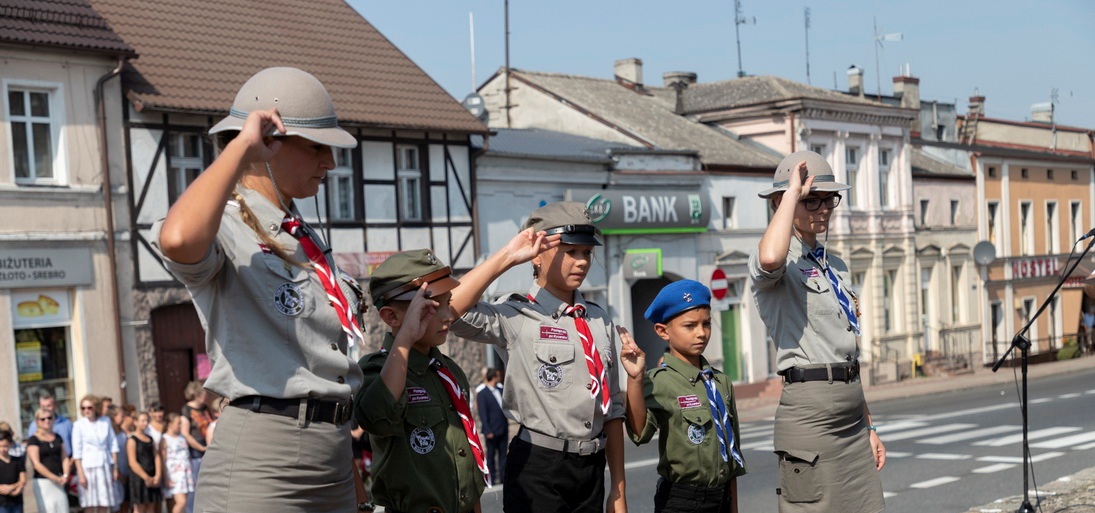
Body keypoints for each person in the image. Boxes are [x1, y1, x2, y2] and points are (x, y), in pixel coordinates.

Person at [151, 66, 365, 513]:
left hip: (334, 455)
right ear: (271, 141)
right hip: (265, 459)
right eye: (316, 147)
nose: (330, 162)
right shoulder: (226, 225)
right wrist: (242, 146)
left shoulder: (303, 234)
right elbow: (176, 240)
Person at [450, 201, 628, 513]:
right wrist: (507, 257)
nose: (582, 262)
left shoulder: (600, 320)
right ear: (538, 255)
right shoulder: (517, 313)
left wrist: (618, 489)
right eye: (570, 251)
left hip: (592, 469)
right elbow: (450, 310)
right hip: (539, 466)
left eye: (586, 252)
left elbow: (612, 409)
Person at [750, 150, 885, 512]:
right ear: (783, 201)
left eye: (829, 199)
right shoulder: (776, 258)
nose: (823, 208)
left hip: (852, 414)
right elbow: (769, 259)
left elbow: (845, 351)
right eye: (812, 200)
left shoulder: (833, 264)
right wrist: (792, 193)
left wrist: (868, 427)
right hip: (810, 414)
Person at [354, 249, 487, 513]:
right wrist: (405, 338)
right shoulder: (376, 369)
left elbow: (466, 455)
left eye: (448, 302)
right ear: (392, 317)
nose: (448, 316)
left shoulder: (448, 371)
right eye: (432, 308)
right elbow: (376, 418)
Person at [619, 280, 747, 513]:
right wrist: (635, 379)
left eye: (706, 324)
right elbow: (639, 433)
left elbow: (733, 459)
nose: (701, 333)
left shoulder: (721, 383)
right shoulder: (659, 381)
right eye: (690, 326)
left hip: (721, 497)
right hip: (681, 501)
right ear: (663, 331)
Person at [72, 395, 119, 513]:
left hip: (104, 464)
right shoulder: (79, 425)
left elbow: (113, 444)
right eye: (83, 408)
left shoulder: (105, 421)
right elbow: (77, 452)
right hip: (88, 467)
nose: (86, 410)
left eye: (89, 407)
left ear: (95, 408)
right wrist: (81, 474)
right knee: (90, 503)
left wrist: (115, 468)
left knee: (104, 502)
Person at [26, 407, 71, 513]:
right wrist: (54, 478)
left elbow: (64, 458)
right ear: (37, 421)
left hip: (60, 481)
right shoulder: (34, 439)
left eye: (49, 418)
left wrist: (65, 475)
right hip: (44, 482)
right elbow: (36, 464)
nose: (47, 421)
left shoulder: (58, 437)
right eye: (43, 419)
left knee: (62, 509)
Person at [177, 382, 210, 513]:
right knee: (195, 483)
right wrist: (200, 448)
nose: (205, 395)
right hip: (195, 451)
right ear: (195, 394)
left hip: (207, 448)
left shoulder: (205, 408)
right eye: (203, 393)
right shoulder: (186, 410)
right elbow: (185, 433)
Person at [477, 368, 508, 485]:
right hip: (491, 431)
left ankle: (503, 478)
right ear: (493, 377)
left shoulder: (500, 390)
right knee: (490, 456)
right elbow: (483, 414)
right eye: (497, 376)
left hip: (502, 428)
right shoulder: (483, 394)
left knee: (503, 456)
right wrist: (488, 430)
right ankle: (491, 479)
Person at [127, 412, 162, 513]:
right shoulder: (132, 440)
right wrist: (146, 477)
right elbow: (132, 462)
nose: (145, 423)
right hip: (139, 478)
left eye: (146, 421)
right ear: (135, 422)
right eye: (142, 421)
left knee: (151, 507)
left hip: (152, 474)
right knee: (140, 508)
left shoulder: (150, 439)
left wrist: (157, 475)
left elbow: (156, 456)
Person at [160, 415, 192, 513]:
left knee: (184, 504)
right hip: (174, 474)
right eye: (178, 423)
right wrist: (165, 477)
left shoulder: (182, 437)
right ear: (170, 424)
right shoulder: (165, 439)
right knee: (181, 502)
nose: (180, 426)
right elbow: (162, 459)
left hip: (185, 473)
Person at [26, 393, 73, 457]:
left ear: (55, 406)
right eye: (43, 406)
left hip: (67, 461)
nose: (46, 409)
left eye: (48, 406)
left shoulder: (66, 423)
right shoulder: (34, 426)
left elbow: (73, 445)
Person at [108, 405, 130, 513]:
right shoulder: (110, 434)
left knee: (126, 505)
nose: (123, 417)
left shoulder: (122, 432)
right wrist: (119, 474)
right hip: (117, 475)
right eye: (121, 415)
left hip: (126, 473)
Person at [0, 433, 25, 513]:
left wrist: (12, 488)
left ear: (11, 445)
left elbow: (23, 480)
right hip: (2, 503)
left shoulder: (18, 461)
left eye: (5, 446)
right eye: (0, 446)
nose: (2, 449)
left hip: (17, 501)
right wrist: (9, 491)